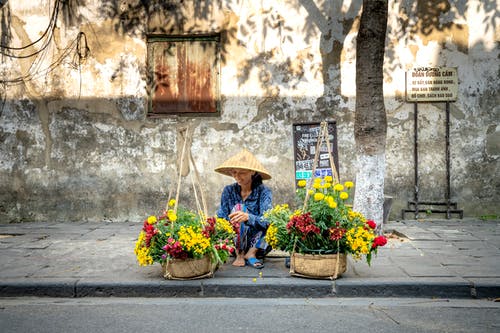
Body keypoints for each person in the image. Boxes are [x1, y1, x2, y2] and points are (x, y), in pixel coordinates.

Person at [215, 149, 272, 269]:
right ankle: (239, 254)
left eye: (242, 173)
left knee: (275, 222)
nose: (237, 176)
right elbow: (221, 217)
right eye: (234, 172)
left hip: (259, 244)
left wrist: (248, 218)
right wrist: (232, 220)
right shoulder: (228, 191)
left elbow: (267, 220)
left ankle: (251, 253)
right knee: (238, 209)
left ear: (252, 172)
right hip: (234, 241)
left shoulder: (264, 192)